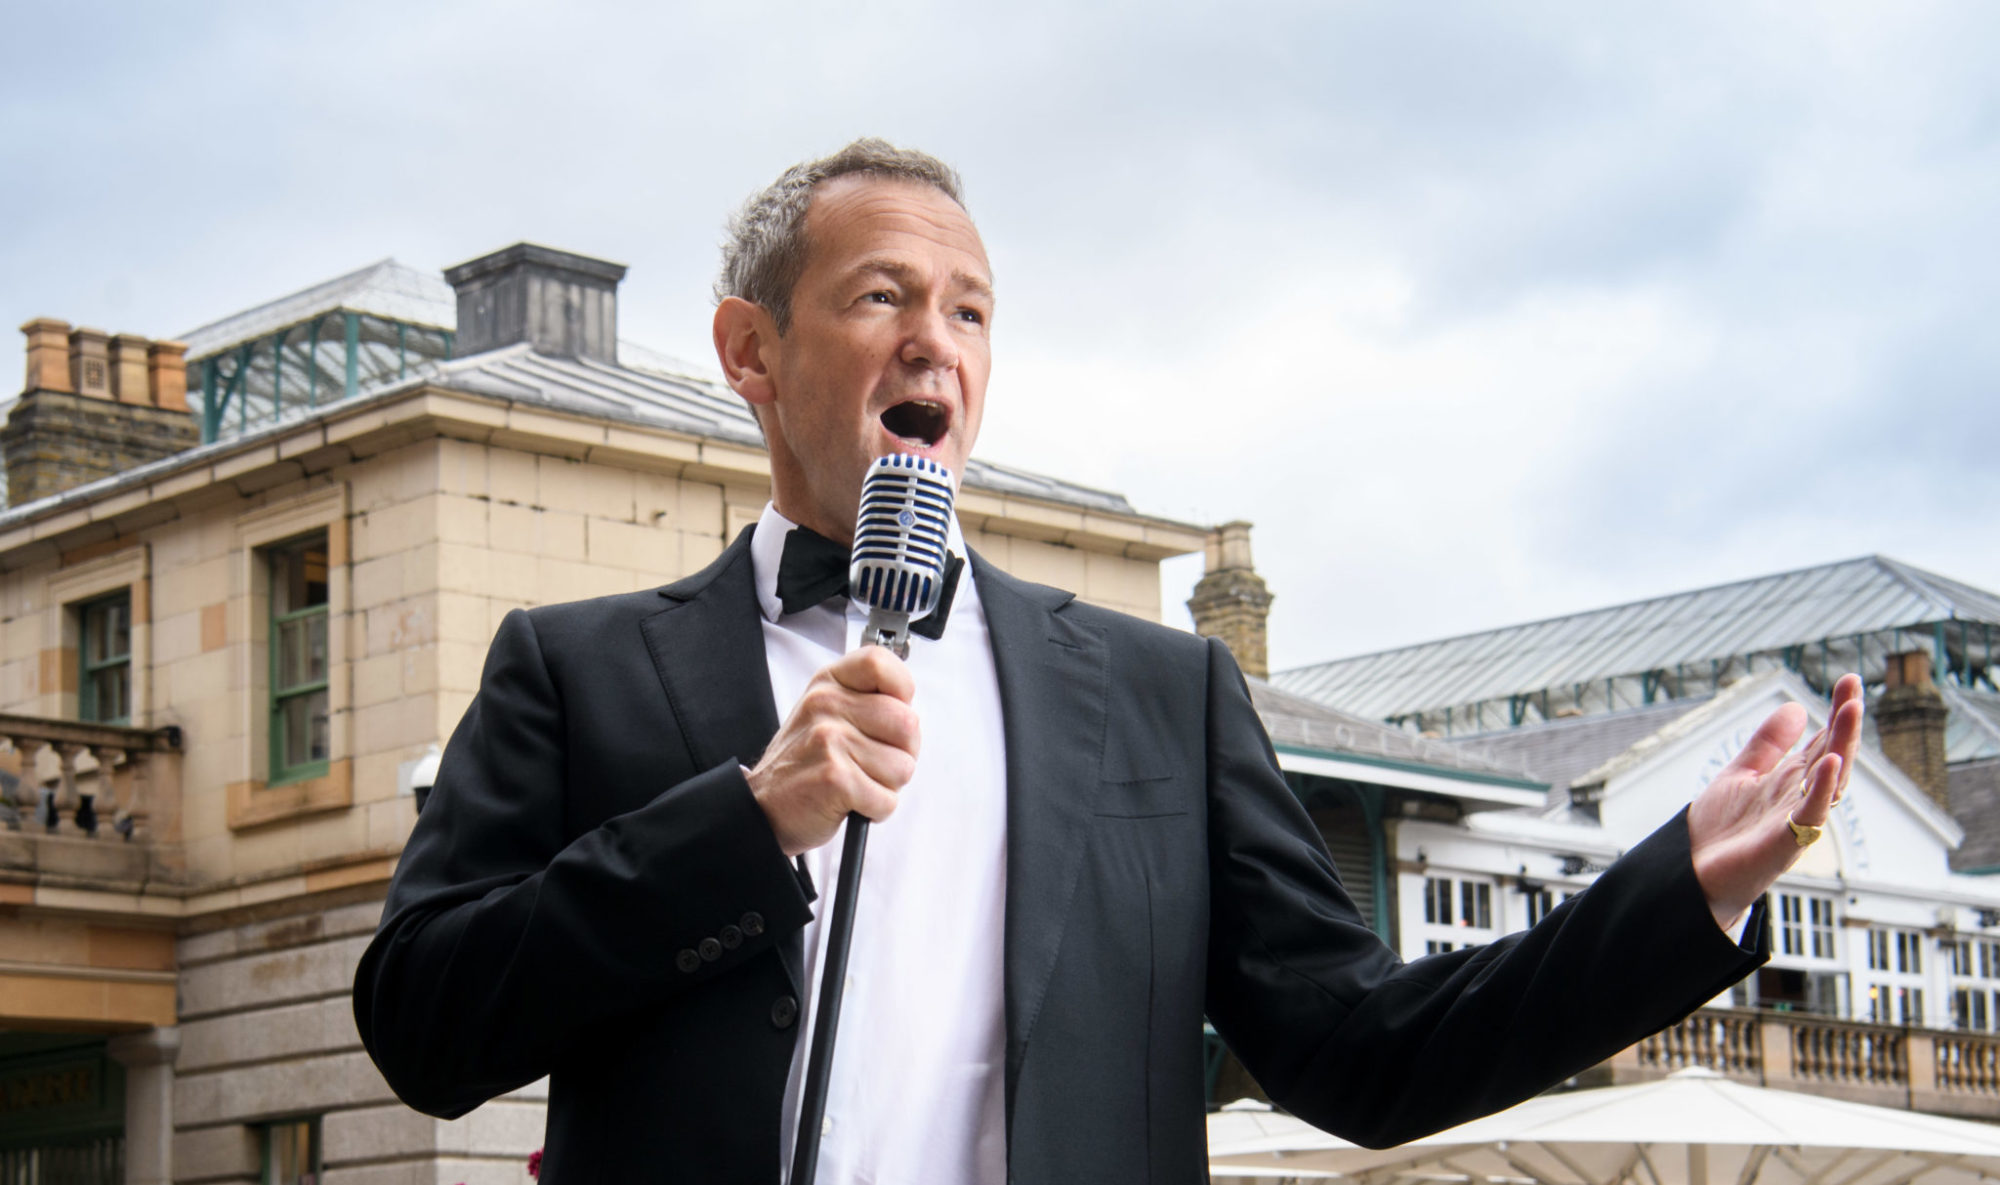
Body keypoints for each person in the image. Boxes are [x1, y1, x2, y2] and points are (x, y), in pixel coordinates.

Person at [353, 140, 1865, 1185]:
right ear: (751, 350)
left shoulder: (1163, 696)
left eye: (969, 311)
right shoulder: (576, 670)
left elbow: (1365, 1051)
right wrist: (741, 825)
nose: (935, 342)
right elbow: (422, 1024)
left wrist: (1684, 890)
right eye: (881, 295)